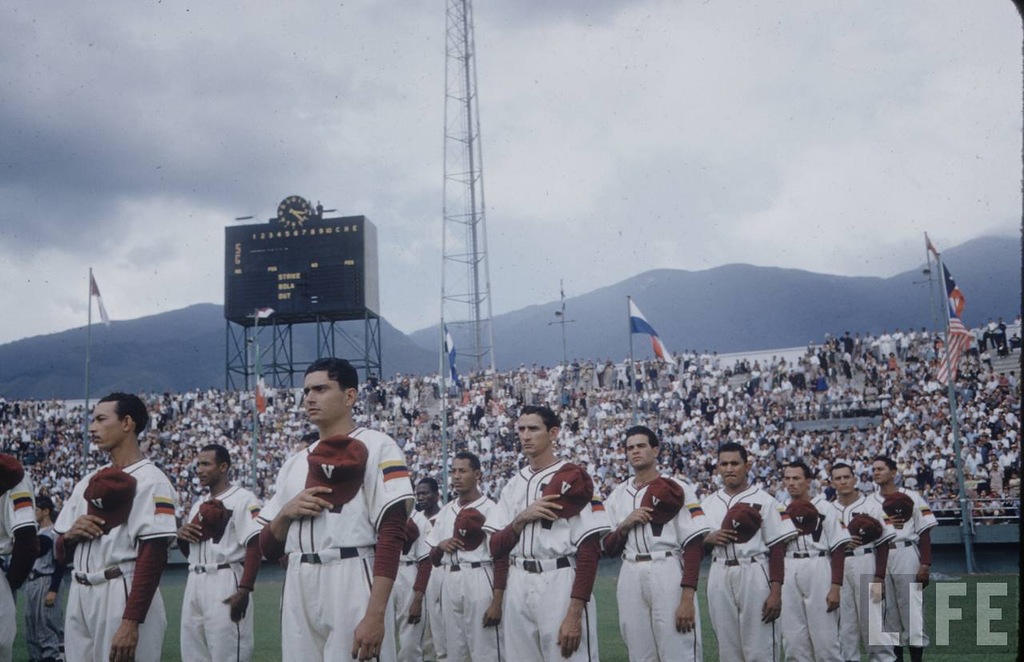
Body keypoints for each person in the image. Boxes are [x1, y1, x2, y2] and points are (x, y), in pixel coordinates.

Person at [257, 357, 414, 661]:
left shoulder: (379, 445)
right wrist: (285, 513)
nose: (310, 398)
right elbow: (268, 547)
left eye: (320, 389)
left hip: (352, 571)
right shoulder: (294, 463)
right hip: (299, 578)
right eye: (306, 391)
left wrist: (375, 614)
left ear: (349, 396)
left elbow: (393, 531)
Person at [54, 392, 179, 662]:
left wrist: (131, 622)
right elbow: (60, 552)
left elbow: (154, 555)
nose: (92, 427)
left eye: (101, 419)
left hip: (120, 588)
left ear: (127, 423)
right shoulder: (88, 481)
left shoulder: (152, 480)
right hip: (80, 591)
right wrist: (70, 536)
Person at [490, 405, 611, 661]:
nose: (525, 435)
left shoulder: (575, 477)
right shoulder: (513, 484)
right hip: (519, 581)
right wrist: (521, 518)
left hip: (559, 579)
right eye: (521, 429)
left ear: (553, 432)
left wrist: (575, 613)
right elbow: (495, 547)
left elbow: (590, 551)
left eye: (533, 429)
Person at [602, 425, 709, 661]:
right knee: (640, 653)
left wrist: (687, 598)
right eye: (630, 448)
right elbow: (607, 547)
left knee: (679, 649)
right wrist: (625, 525)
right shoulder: (618, 495)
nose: (635, 452)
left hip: (667, 567)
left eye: (641, 446)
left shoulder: (677, 487)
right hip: (630, 570)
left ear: (655, 450)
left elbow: (693, 545)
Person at [700, 441, 797, 662]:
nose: (729, 468)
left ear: (747, 466)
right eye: (724, 464)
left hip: (754, 568)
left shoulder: (766, 501)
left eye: (735, 463)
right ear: (717, 468)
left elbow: (777, 549)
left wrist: (776, 592)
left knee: (760, 648)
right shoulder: (708, 503)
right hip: (719, 570)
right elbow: (697, 547)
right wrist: (708, 539)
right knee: (728, 648)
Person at [178, 443, 263, 661]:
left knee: (227, 652)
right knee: (193, 652)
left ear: (223, 467)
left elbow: (254, 545)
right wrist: (182, 537)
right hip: (195, 578)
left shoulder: (243, 498)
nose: (199, 470)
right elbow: (189, 551)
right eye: (198, 465)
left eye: (206, 464)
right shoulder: (198, 504)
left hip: (225, 577)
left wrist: (244, 590)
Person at [426, 451, 507, 661]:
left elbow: (501, 558)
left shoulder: (492, 509)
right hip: (450, 579)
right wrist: (440, 547)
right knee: (455, 652)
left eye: (462, 471)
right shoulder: (445, 511)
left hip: (480, 575)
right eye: (453, 471)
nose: (456, 476)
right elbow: (433, 559)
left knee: (486, 651)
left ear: (477, 474)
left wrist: (497, 602)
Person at [779, 461, 852, 661]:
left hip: (818, 564)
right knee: (793, 641)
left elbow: (838, 548)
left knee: (826, 640)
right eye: (787, 478)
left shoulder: (825, 507)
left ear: (808, 481)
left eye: (796, 478)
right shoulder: (779, 509)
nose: (791, 483)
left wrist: (836, 587)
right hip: (789, 565)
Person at [870, 456, 937, 662]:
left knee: (911, 608)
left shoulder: (912, 497)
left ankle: (916, 658)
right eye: (874, 469)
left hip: (906, 551)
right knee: (887, 611)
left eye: (881, 469)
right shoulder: (870, 501)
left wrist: (925, 564)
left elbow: (924, 531)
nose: (876, 472)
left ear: (893, 472)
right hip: (880, 555)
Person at [829, 462, 896, 662]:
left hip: (866, 560)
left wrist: (879, 577)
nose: (843, 481)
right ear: (832, 483)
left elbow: (884, 544)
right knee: (844, 624)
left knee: (874, 621)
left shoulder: (872, 506)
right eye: (838, 478)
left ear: (855, 479)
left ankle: (884, 659)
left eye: (846, 477)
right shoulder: (828, 509)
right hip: (838, 568)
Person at [1, 453, 39, 661]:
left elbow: (26, 542)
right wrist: (10, 584)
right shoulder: (11, 471)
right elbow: (27, 542)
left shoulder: (10, 471)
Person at [25, 495, 66, 662]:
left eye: (36, 509)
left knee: (47, 626)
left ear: (46, 511)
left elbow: (61, 563)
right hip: (32, 581)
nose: (33, 513)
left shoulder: (55, 532)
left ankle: (52, 657)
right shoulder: (35, 531)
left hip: (47, 579)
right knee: (31, 626)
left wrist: (53, 590)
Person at [394, 492, 432, 662]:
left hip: (408, 572)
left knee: (409, 644)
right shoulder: (378, 514)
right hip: (383, 572)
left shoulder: (420, 520)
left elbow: (426, 562)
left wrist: (418, 599)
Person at [415, 477, 446, 661]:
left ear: (436, 495)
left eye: (425, 493)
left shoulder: (444, 517)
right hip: (418, 577)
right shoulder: (416, 519)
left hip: (438, 576)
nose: (420, 497)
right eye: (418, 493)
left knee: (441, 631)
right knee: (423, 634)